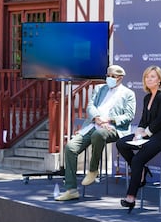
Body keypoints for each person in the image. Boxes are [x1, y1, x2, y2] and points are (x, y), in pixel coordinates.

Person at [55, 65, 136, 201]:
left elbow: (128, 116)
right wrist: (97, 118)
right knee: (70, 147)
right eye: (108, 75)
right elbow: (90, 106)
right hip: (93, 124)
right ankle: (71, 189)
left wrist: (109, 120)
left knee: (98, 135)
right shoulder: (99, 89)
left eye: (113, 76)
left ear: (120, 78)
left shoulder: (128, 94)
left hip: (113, 128)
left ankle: (93, 170)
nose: (109, 78)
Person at [116, 65, 161, 213]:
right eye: (147, 77)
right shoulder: (147, 97)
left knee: (137, 160)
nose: (149, 79)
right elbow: (144, 119)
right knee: (121, 143)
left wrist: (146, 133)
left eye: (152, 77)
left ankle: (131, 197)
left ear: (159, 80)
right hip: (148, 135)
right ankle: (141, 171)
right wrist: (139, 131)